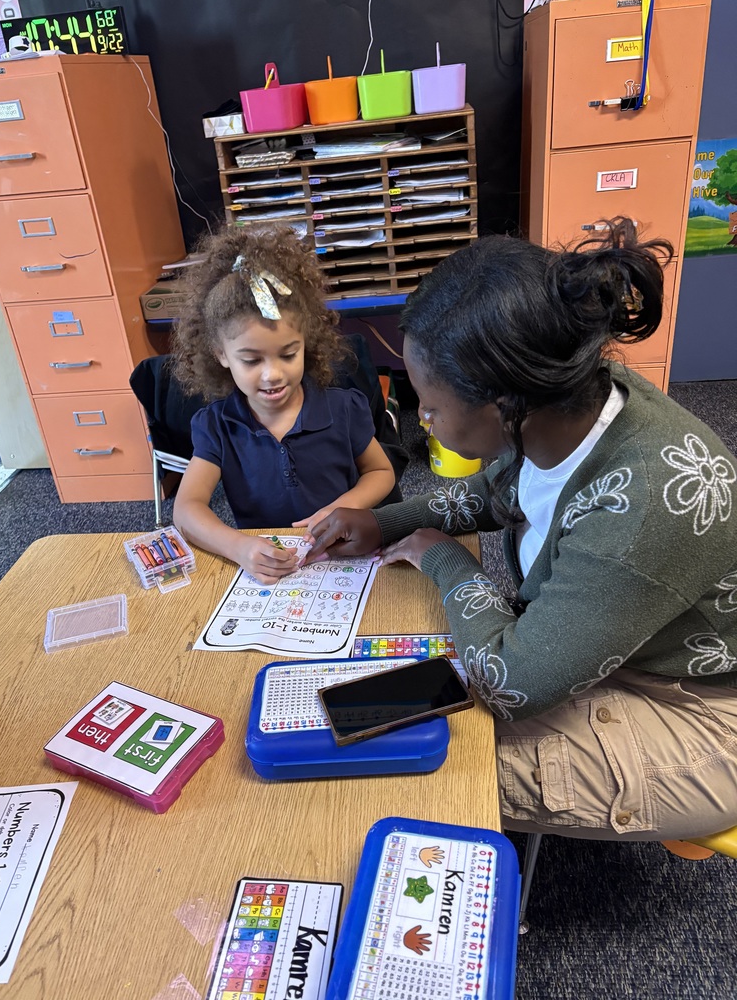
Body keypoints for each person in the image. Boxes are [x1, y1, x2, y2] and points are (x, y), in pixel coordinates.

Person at [302, 218, 737, 842]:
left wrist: (445, 561)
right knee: (391, 708)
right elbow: (498, 491)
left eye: (431, 405)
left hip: (701, 713)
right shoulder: (569, 398)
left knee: (411, 755)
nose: (423, 421)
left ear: (504, 405)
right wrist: (383, 521)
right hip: (623, 640)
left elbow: (513, 684)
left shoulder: (640, 505)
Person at [172, 224, 396, 583]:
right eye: (251, 360)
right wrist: (238, 547)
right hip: (268, 568)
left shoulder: (342, 409)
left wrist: (344, 507)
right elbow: (186, 509)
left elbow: (381, 473)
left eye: (288, 354)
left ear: (305, 342)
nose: (272, 375)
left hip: (341, 557)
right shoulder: (217, 427)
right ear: (221, 355)